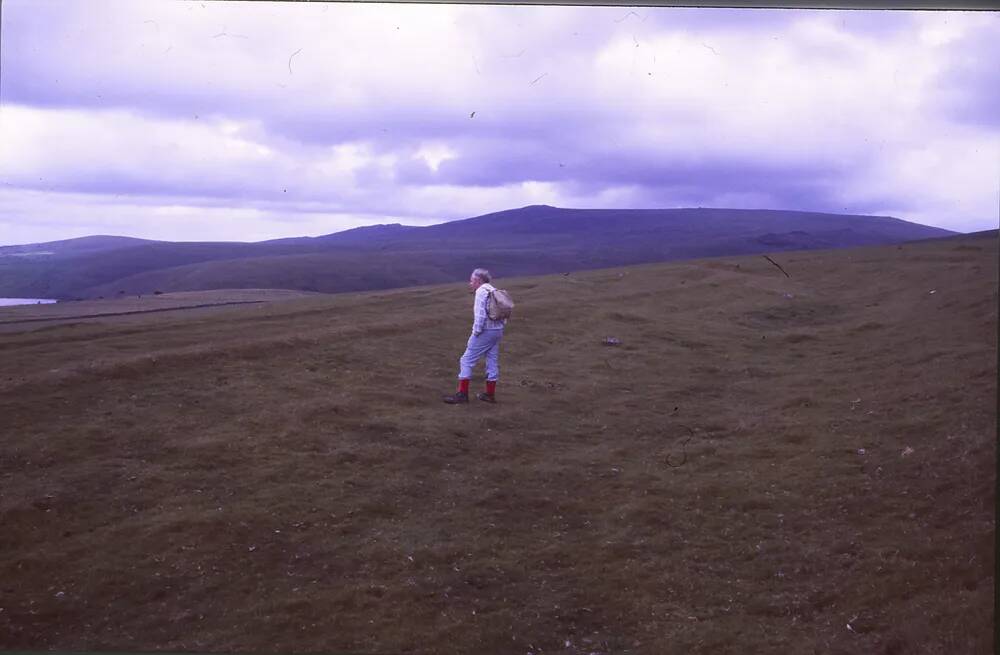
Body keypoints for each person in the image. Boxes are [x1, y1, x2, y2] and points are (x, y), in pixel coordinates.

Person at [443, 268, 507, 404]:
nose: (470, 283)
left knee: (466, 360)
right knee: (492, 360)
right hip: (497, 330)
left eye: (471, 281)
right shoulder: (493, 290)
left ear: (478, 281)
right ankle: (489, 394)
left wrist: (475, 333)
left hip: (486, 331)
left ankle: (462, 395)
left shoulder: (481, 292)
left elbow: (480, 316)